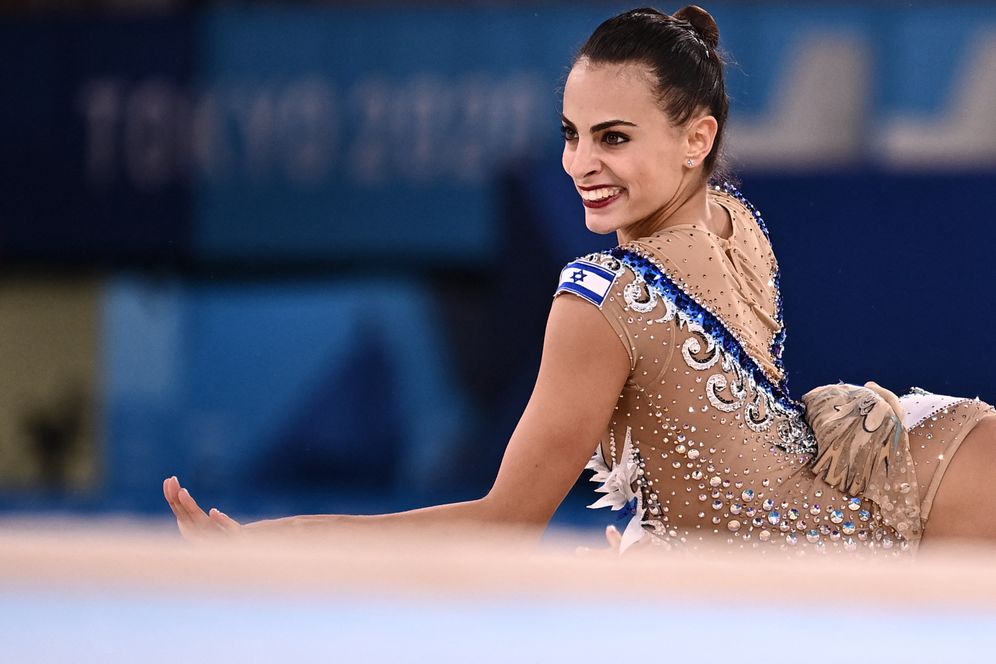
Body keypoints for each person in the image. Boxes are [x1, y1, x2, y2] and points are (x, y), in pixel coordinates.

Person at [164, 6, 996, 555]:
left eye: (614, 137)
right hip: (908, 474)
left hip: (867, 520)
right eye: (571, 134)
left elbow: (502, 522)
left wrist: (273, 542)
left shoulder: (601, 298)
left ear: (697, 136)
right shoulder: (734, 218)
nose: (581, 165)